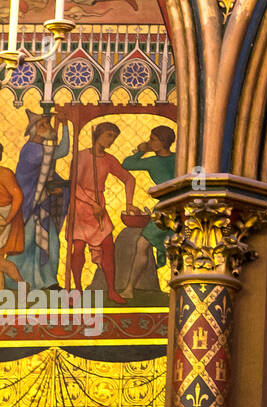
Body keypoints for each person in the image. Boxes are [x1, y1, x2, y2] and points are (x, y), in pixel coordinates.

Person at [67, 121, 137, 303]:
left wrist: (129, 204)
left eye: (114, 137)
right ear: (97, 134)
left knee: (108, 247)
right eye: (108, 135)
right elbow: (74, 185)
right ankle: (78, 289)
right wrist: (92, 204)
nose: (111, 140)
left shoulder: (109, 160)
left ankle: (112, 291)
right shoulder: (81, 156)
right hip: (81, 206)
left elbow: (129, 179)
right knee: (79, 249)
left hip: (99, 208)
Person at [119, 125, 176, 300]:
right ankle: (129, 288)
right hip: (164, 208)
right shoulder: (153, 161)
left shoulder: (177, 159)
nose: (149, 142)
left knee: (175, 248)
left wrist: (141, 151)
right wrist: (141, 150)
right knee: (143, 244)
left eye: (153, 139)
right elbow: (126, 164)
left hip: (177, 207)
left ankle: (176, 289)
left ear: (163, 142)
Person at [14, 111, 69, 289]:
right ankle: (17, 280)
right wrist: (65, 127)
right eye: (43, 125)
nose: (48, 128)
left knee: (51, 242)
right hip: (29, 206)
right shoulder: (32, 150)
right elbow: (61, 151)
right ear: (34, 130)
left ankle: (49, 281)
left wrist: (63, 127)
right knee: (27, 244)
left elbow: (45, 175)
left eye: (48, 124)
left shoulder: (42, 150)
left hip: (40, 204)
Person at [0, 146, 24, 290]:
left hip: (3, 217)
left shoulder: (4, 173)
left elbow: (18, 196)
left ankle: (21, 284)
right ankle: (3, 290)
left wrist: (7, 220)